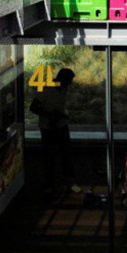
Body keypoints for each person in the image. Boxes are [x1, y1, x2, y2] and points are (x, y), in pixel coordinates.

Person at [34, 68, 81, 196]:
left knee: (64, 154)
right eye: (68, 81)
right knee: (51, 156)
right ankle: (53, 183)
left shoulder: (62, 87)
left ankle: (62, 182)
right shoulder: (46, 89)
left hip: (57, 125)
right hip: (49, 127)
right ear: (62, 79)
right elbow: (33, 107)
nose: (70, 84)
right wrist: (50, 116)